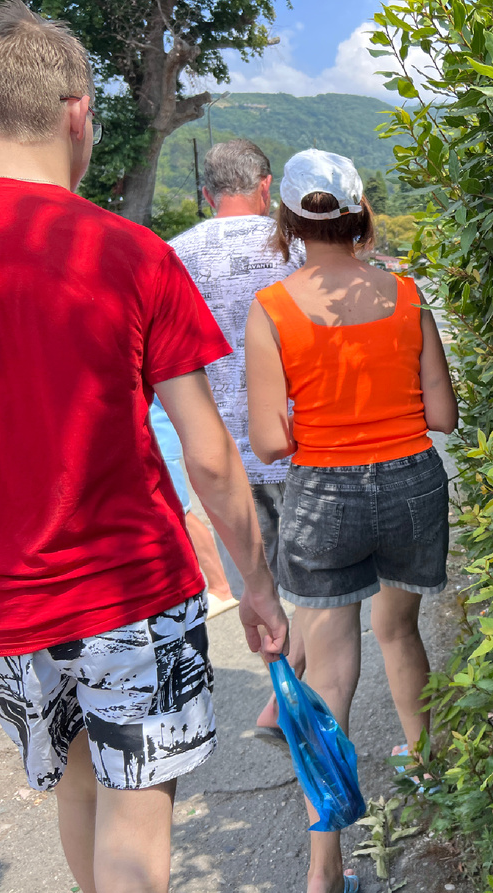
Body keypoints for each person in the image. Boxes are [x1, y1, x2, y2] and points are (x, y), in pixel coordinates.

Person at [0, 4, 289, 893]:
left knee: (76, 782)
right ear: (79, 112)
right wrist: (256, 589)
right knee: (137, 805)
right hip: (127, 593)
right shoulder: (133, 253)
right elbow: (211, 458)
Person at [245, 149, 457, 893]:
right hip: (410, 482)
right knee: (400, 632)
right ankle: (432, 772)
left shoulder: (271, 307)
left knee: (329, 677)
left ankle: (323, 873)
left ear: (289, 221)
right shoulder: (406, 295)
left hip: (322, 495)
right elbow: (443, 415)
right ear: (361, 210)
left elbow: (270, 442)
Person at [168, 139, 305, 738]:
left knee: (258, 587)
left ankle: (285, 692)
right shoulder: (296, 246)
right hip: (298, 443)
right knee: (322, 591)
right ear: (266, 186)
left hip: (218, 458)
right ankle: (297, 703)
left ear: (206, 194)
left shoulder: (173, 256)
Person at [149, 398, 239, 618]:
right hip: (155, 438)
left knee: (180, 511)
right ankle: (220, 585)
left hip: (155, 438)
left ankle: (221, 586)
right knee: (177, 512)